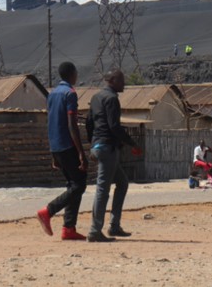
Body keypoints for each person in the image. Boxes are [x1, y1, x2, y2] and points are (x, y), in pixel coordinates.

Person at [87, 69, 142, 243]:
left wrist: (93, 144)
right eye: (121, 80)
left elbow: (89, 123)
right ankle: (95, 231)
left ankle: (114, 226)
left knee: (122, 183)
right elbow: (114, 127)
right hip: (107, 148)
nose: (124, 83)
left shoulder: (96, 98)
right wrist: (132, 143)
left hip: (98, 146)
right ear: (112, 81)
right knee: (102, 190)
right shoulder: (111, 99)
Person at [37, 61, 89, 241]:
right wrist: (81, 152)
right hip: (68, 145)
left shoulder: (52, 94)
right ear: (72, 74)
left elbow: (50, 123)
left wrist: (53, 152)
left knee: (72, 185)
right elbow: (71, 124)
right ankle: (49, 211)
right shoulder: (70, 93)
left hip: (57, 145)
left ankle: (69, 228)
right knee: (79, 184)